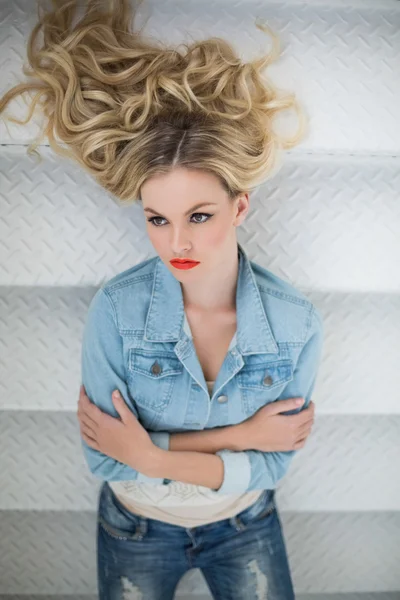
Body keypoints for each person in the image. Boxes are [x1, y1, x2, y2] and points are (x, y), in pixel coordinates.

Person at [0, 1, 324, 598]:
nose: (176, 242)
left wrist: (152, 454)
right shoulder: (116, 313)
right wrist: (244, 434)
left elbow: (276, 464)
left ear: (240, 206)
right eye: (157, 218)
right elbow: (107, 461)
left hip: (246, 520)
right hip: (136, 527)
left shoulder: (294, 323)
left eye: (199, 215)